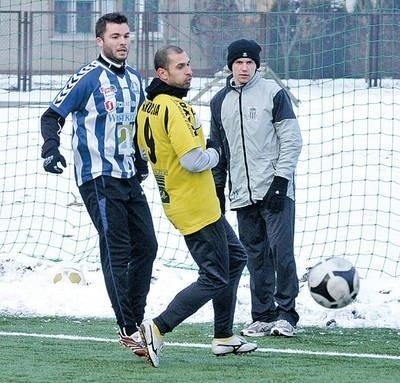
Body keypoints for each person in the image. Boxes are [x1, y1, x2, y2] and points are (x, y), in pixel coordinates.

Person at [40, 12, 158, 356]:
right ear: (100, 41)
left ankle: (134, 317)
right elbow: (52, 116)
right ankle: (129, 327)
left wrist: (140, 159)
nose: (122, 42)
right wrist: (51, 149)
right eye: (115, 37)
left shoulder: (136, 80)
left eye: (126, 36)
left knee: (147, 245)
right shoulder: (88, 78)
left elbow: (137, 127)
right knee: (116, 248)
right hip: (97, 177)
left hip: (127, 176)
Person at [136, 45, 257, 368]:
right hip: (195, 203)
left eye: (188, 64)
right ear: (162, 74)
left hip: (180, 200)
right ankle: (157, 327)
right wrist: (218, 152)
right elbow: (193, 160)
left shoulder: (148, 106)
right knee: (215, 275)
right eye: (180, 67)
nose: (188, 71)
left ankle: (223, 336)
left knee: (235, 259)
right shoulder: (176, 108)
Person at [210, 39, 303, 337]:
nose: (244, 67)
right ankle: (262, 315)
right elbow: (218, 149)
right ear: (230, 65)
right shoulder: (218, 101)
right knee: (256, 256)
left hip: (275, 191)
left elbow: (291, 140)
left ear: (257, 66)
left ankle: (286, 313)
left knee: (281, 252)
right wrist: (218, 187)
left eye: (250, 63)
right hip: (241, 194)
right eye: (239, 62)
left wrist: (281, 181)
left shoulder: (274, 94)